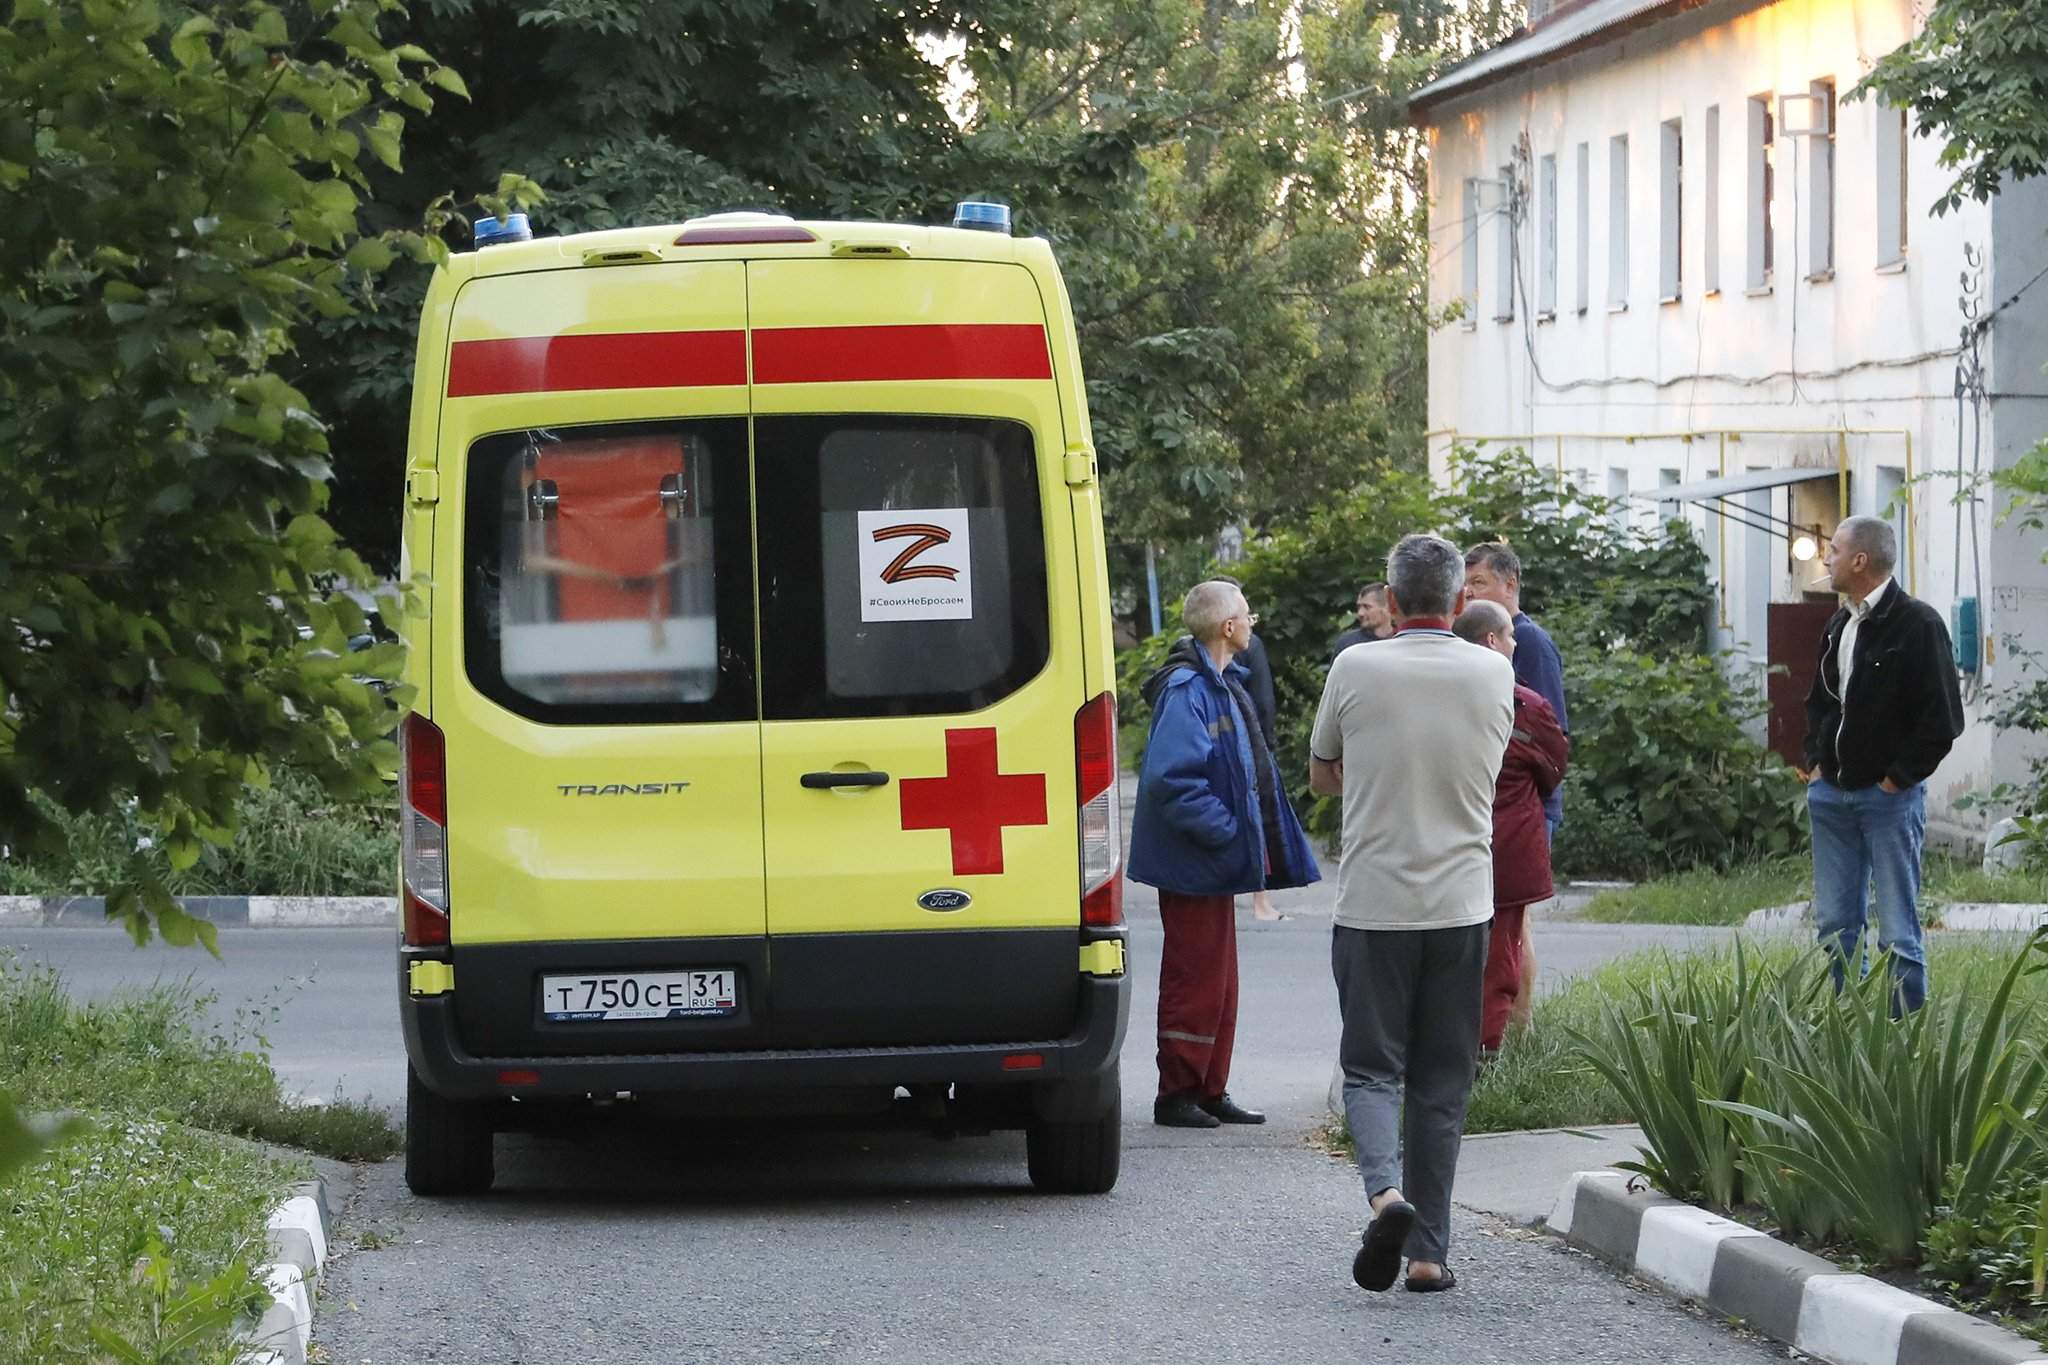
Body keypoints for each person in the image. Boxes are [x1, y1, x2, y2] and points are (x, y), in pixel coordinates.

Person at [1311, 535, 1514, 1294]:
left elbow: (1322, 772)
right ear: (1461, 602)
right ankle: (1429, 1253)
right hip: (1462, 904)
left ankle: (1385, 1193)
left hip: (1373, 903)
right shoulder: (1496, 670)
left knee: (1370, 1069)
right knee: (1442, 1079)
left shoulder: (1355, 665)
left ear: (1390, 602)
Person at [1129, 581, 1321, 1128]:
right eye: (1247, 615)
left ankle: (1211, 1087)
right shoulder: (1190, 690)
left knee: (1220, 979)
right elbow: (1173, 780)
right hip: (1194, 864)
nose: (1252, 623)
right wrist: (1229, 832)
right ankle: (1178, 1094)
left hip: (1211, 865)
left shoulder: (1222, 686)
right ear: (1228, 628)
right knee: (1195, 977)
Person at [1798, 517, 1964, 1015]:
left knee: (1897, 929)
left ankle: (1902, 1033)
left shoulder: (1919, 625)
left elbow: (1943, 721)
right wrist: (1815, 763)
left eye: (1834, 551)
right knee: (1834, 925)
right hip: (1832, 799)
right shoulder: (1840, 622)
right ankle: (1850, 1024)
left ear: (1860, 560)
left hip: (1887, 801)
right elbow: (1820, 701)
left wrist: (1896, 779)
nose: (1826, 559)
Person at [1452, 601, 1569, 1054]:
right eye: (1509, 637)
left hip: (1449, 841)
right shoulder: (1524, 706)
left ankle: (1450, 1047)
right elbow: (1554, 765)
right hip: (1509, 844)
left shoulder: (1437, 698)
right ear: (1492, 642)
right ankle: (1489, 1049)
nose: (1517, 644)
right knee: (1503, 951)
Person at [1331, 582, 1394, 659]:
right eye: (1359, 607)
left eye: (1367, 607)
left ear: (1387, 608)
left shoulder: (1401, 641)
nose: (1360, 613)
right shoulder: (1348, 643)